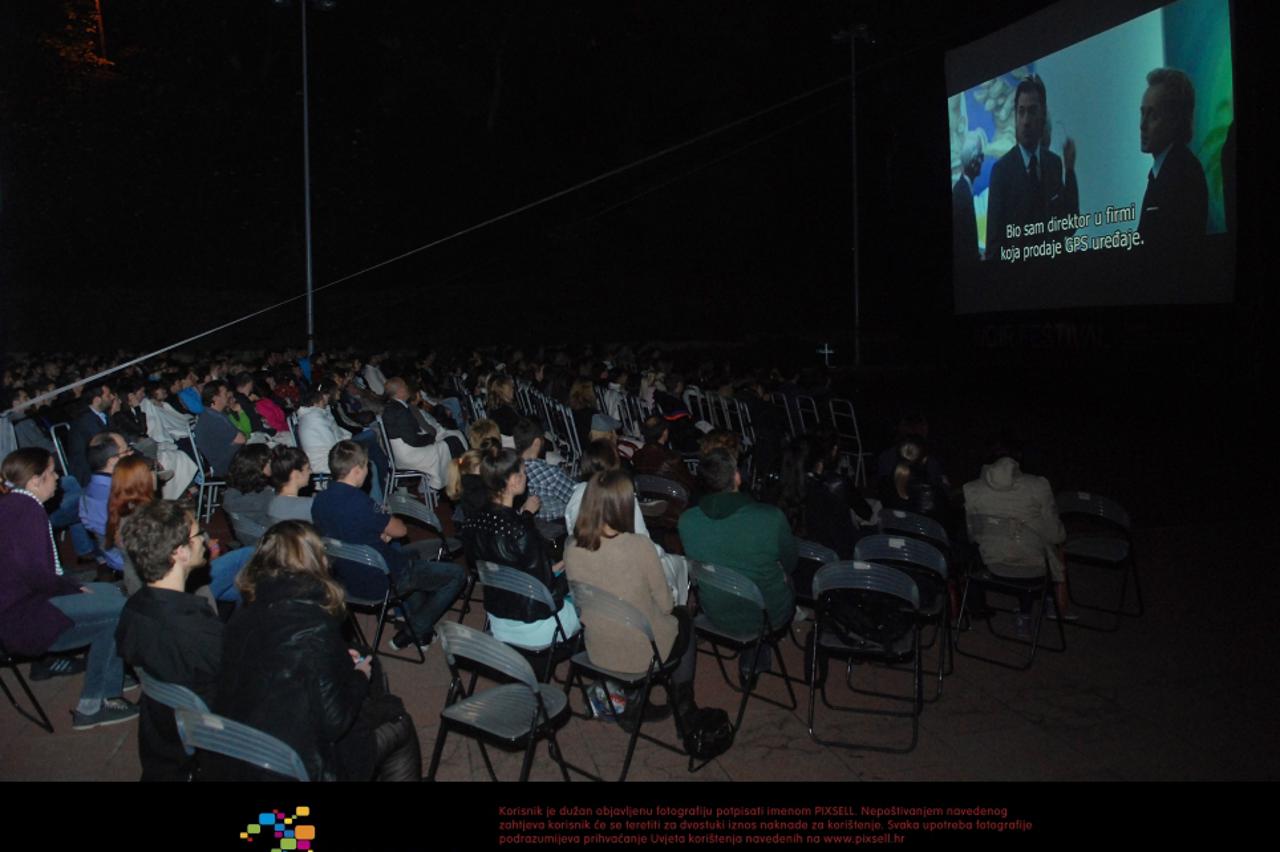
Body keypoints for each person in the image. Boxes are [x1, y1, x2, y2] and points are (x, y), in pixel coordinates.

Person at [210, 521, 421, 781]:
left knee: (363, 657)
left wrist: (338, 660)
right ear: (315, 560)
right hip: (301, 765)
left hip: (243, 751)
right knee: (399, 723)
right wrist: (358, 675)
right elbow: (335, 719)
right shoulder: (313, 621)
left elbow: (283, 662)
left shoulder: (243, 614)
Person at [0, 447, 138, 729]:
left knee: (114, 594)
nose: (58, 478)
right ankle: (100, 700)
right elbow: (38, 574)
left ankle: (106, 677)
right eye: (52, 473)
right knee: (122, 607)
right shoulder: (26, 511)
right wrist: (72, 589)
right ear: (35, 480)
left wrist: (72, 586)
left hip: (21, 605)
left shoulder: (14, 504)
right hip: (22, 616)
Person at [565, 469, 696, 724]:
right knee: (685, 620)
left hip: (598, 648)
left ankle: (635, 699)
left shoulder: (572, 547)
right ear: (625, 504)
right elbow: (667, 604)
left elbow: (581, 601)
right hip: (642, 655)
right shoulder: (639, 547)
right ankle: (683, 706)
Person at [311, 440, 465, 650]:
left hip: (346, 577)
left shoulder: (319, 501)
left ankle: (423, 635)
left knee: (413, 560)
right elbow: (401, 530)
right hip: (381, 578)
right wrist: (384, 520)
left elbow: (345, 534)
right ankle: (414, 631)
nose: (368, 472)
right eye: (366, 467)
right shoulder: (359, 501)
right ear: (356, 470)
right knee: (456, 575)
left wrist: (379, 532)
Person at [114, 500, 223, 781]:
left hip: (161, 738)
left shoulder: (134, 608)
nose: (204, 541)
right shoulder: (193, 626)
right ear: (180, 553)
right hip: (210, 730)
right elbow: (231, 679)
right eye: (198, 535)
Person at [678, 447, 796, 679]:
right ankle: (759, 647)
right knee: (785, 579)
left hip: (716, 610)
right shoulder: (770, 517)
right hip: (768, 614)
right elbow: (790, 563)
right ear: (737, 477)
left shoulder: (686, 520)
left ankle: (756, 649)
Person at [460, 443, 581, 651]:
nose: (526, 477)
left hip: (497, 618)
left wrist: (549, 571)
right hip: (535, 622)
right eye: (524, 473)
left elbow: (505, 569)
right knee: (593, 600)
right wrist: (572, 574)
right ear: (514, 481)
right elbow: (548, 591)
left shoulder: (472, 521)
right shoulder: (520, 531)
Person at [962, 444, 1074, 628]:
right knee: (1045, 548)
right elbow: (1057, 535)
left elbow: (973, 535)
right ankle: (1037, 607)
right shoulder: (1038, 485)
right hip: (1034, 568)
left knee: (1024, 546)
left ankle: (1030, 610)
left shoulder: (972, 489)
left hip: (993, 565)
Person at [985, 75, 1078, 262]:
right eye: (1021, 112)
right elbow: (994, 246)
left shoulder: (1053, 164)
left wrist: (1069, 171)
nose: (1026, 121)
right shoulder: (1002, 171)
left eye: (1032, 111)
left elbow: (1069, 225)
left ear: (1042, 115)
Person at [1138, 67, 1208, 252]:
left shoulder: (1185, 172)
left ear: (1175, 120)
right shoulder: (1160, 171)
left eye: (1153, 115)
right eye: (1142, 113)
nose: (1142, 125)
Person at [78, 432, 133, 576]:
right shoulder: (113, 495)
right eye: (126, 451)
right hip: (130, 562)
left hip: (114, 558)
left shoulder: (88, 491)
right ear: (112, 461)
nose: (131, 454)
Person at [221, 443, 274, 536]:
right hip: (270, 539)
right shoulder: (265, 496)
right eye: (269, 462)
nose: (272, 464)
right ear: (259, 466)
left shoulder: (231, 493)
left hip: (247, 538)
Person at [194, 381, 246, 476]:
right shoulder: (214, 418)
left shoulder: (211, 414)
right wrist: (236, 439)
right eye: (225, 394)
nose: (228, 396)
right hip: (227, 464)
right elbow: (241, 438)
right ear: (215, 397)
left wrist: (235, 440)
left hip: (228, 458)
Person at [953, 130, 984, 265]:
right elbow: (964, 237)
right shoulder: (961, 193)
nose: (982, 161)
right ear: (973, 163)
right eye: (980, 157)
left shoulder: (962, 189)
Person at [267, 445, 315, 523]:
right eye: (308, 468)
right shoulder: (309, 506)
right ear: (296, 474)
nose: (311, 472)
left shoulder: (272, 503)